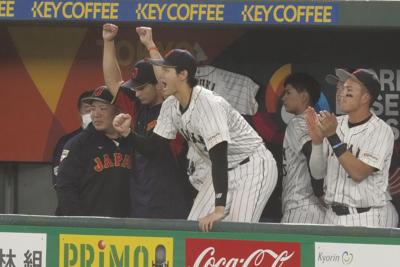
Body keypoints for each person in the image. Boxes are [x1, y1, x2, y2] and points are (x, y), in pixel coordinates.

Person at [113, 26, 278, 232]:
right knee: (193, 227)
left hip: (252, 166)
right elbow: (153, 149)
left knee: (237, 231)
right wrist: (128, 134)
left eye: (166, 71)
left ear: (182, 75)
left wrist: (219, 208)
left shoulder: (208, 103)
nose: (160, 76)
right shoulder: (171, 105)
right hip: (222, 170)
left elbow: (219, 156)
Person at [102, 23, 192, 219]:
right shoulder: (137, 106)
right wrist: (108, 41)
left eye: (142, 87)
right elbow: (112, 82)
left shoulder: (174, 106)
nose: (136, 92)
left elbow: (169, 81)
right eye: (135, 88)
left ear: (158, 85)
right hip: (141, 198)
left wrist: (150, 45)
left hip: (173, 201)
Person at [306, 68, 398, 227]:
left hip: (368, 216)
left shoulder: (380, 130)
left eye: (349, 90)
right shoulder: (336, 123)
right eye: (341, 89)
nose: (341, 94)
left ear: (365, 98)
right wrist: (317, 143)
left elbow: (359, 172)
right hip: (332, 215)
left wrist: (332, 137)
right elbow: (317, 173)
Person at [55, 86, 131, 217]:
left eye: (103, 108)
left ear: (118, 111)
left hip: (124, 225)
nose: (96, 114)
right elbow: (65, 187)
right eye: (92, 109)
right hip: (87, 227)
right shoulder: (78, 144)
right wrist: (79, 223)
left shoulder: (131, 142)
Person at [281, 73, 326, 224]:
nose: (283, 98)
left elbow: (311, 150)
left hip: (303, 205)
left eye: (288, 92)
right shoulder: (324, 123)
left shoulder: (299, 122)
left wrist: (319, 191)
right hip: (320, 209)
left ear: (304, 96)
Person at [52, 90, 92, 188]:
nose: (93, 114)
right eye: (87, 110)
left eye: (95, 109)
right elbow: (59, 177)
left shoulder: (112, 140)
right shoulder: (67, 142)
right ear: (79, 112)